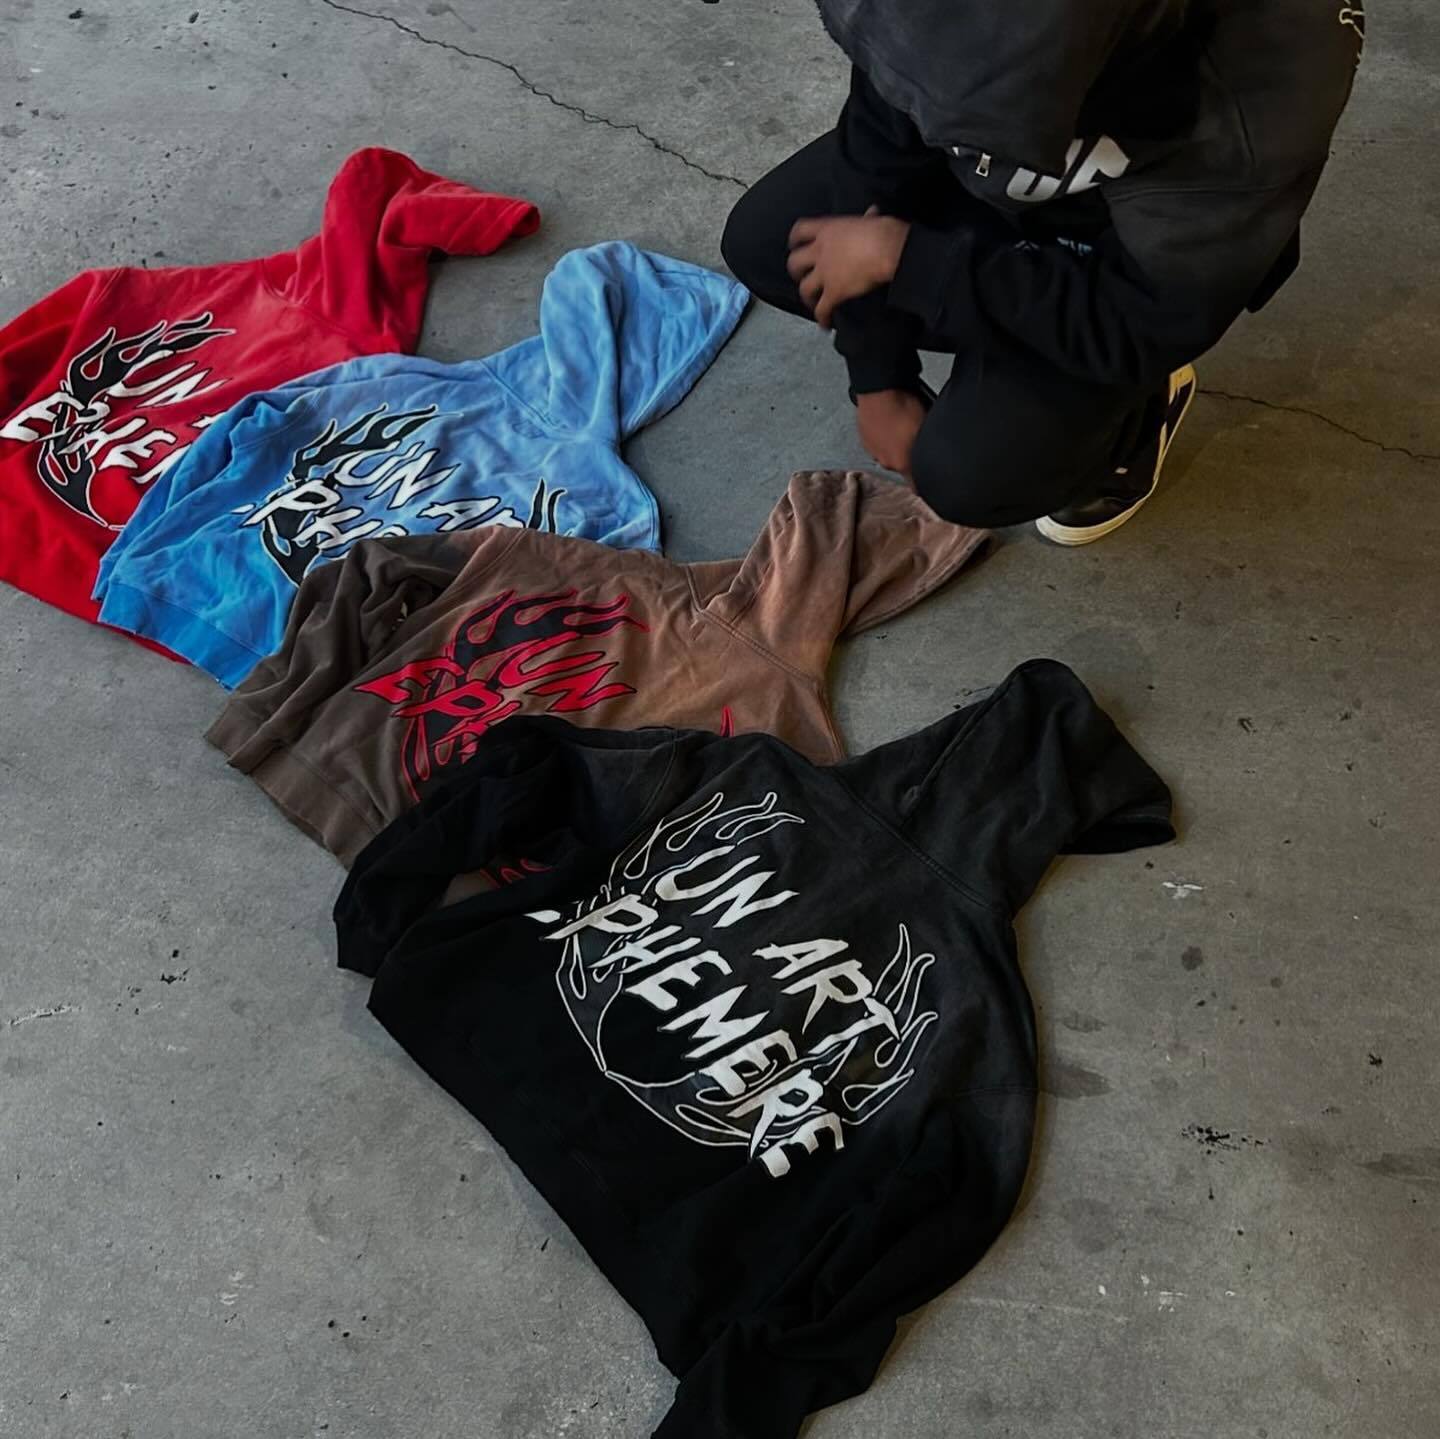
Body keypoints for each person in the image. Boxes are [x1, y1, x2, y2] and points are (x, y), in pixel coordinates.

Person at [722, 0, 1363, 543]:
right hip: (1018, 164)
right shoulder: (935, 26)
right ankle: (1018, 365)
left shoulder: (1265, 89)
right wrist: (877, 373)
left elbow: (1141, 319)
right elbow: (876, 147)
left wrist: (914, 263)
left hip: (1128, 264)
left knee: (972, 473)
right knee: (769, 240)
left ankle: (1131, 423)